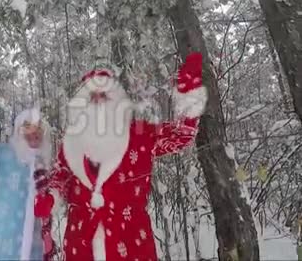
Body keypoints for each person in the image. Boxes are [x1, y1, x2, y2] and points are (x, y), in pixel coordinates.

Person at [35, 53, 207, 260]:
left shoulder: (139, 134)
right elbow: (61, 174)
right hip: (82, 241)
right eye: (92, 96)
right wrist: (51, 197)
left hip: (129, 239)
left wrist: (188, 96)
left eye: (104, 95)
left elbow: (181, 135)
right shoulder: (73, 140)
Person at [0, 107, 54, 260]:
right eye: (27, 128)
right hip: (0, 244)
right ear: (19, 131)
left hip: (33, 249)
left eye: (38, 130)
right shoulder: (4, 153)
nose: (33, 135)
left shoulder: (43, 164)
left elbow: (47, 209)